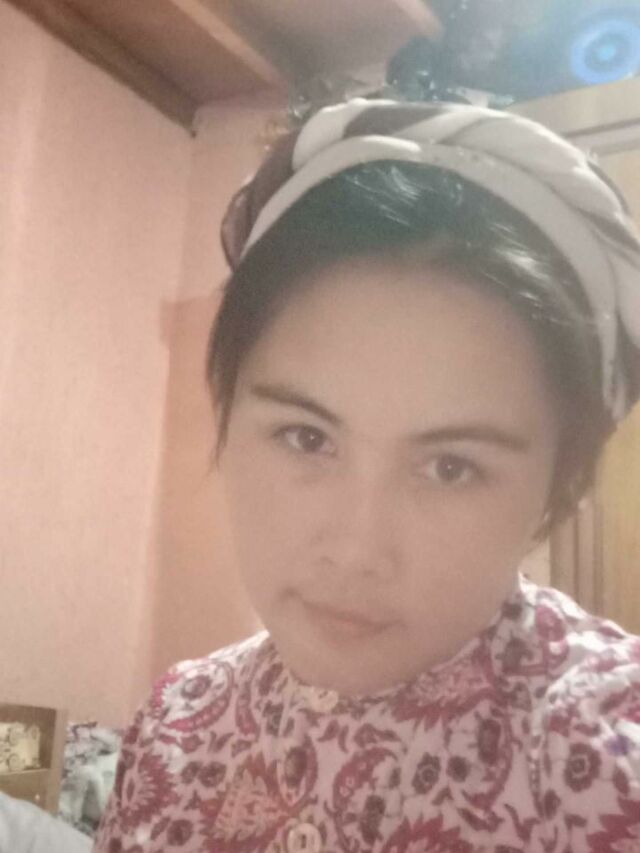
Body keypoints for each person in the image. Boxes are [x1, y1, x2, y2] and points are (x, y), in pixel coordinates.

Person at [94, 93, 640, 852]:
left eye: (450, 466)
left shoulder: (606, 757)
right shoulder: (174, 726)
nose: (355, 550)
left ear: (561, 488)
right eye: (306, 437)